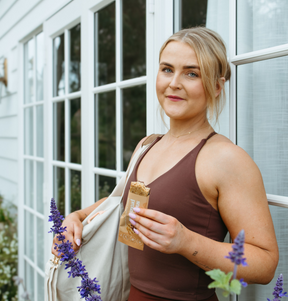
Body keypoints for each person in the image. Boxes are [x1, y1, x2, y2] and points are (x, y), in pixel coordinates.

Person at [52, 27, 279, 301]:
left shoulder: (226, 159)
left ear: (217, 86)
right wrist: (75, 218)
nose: (174, 83)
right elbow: (120, 205)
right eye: (167, 69)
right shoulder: (148, 145)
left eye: (191, 73)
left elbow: (265, 264)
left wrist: (186, 241)